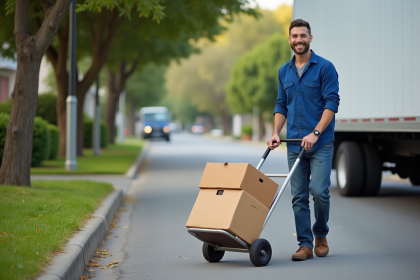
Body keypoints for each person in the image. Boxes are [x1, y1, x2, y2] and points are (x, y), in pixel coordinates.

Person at [266, 19, 340, 261]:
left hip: (320, 143)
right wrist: (276, 132)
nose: (299, 40)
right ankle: (305, 244)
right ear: (289, 40)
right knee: (298, 196)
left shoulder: (325, 68)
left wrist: (316, 132)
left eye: (303, 36)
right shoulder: (283, 71)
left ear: (310, 38)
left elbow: (331, 103)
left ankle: (320, 234)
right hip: (294, 143)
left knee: (319, 192)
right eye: (295, 36)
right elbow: (281, 105)